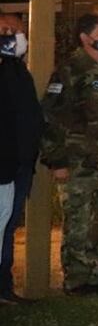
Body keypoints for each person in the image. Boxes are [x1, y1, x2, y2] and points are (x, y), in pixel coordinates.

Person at [40, 14, 98, 296]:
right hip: (79, 162)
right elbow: (51, 115)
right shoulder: (71, 69)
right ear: (85, 37)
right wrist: (56, 160)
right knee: (79, 222)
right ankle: (76, 280)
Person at [0, 15, 42, 305]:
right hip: (3, 164)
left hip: (19, 164)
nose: (15, 36)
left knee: (8, 225)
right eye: (6, 30)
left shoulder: (19, 71)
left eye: (18, 31)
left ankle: (4, 286)